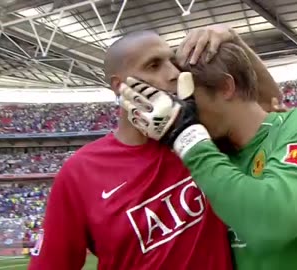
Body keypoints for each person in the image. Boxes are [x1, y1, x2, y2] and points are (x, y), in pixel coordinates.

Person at [28, 25, 281, 270]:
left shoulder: (204, 132)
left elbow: (270, 105)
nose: (173, 73)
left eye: (173, 61)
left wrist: (233, 38)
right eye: (154, 65)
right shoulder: (80, 172)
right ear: (120, 86)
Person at [120, 42, 297, 269]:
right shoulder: (217, 155)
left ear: (226, 86)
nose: (181, 113)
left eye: (187, 101)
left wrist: (187, 137)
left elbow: (274, 223)